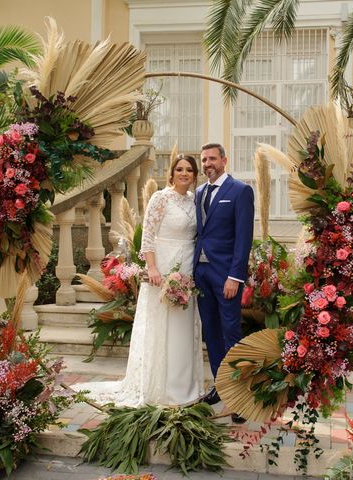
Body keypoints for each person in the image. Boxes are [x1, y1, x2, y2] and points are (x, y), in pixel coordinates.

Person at [75, 154, 204, 406]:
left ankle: (183, 386)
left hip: (187, 268)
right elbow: (148, 237)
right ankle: (159, 387)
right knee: (162, 325)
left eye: (189, 169)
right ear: (172, 172)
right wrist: (153, 268)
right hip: (163, 268)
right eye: (180, 169)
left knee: (184, 324)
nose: (184, 173)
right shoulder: (160, 198)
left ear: (194, 174)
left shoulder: (195, 200)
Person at [194, 143, 254, 418]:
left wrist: (235, 276)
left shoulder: (240, 191)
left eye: (212, 159)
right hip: (201, 274)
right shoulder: (198, 193)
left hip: (226, 276)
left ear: (224, 160)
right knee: (211, 334)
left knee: (231, 335)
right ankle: (220, 386)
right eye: (204, 159)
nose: (208, 163)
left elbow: (243, 238)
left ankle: (239, 396)